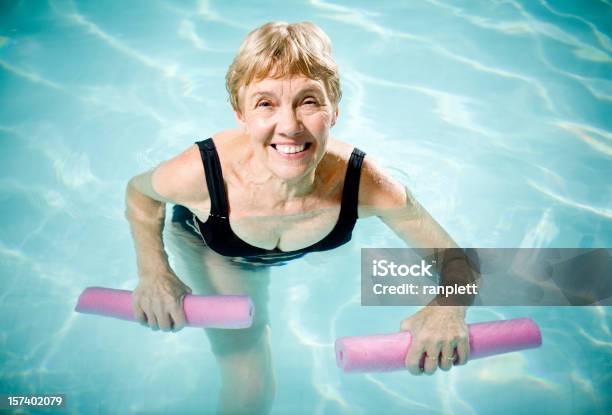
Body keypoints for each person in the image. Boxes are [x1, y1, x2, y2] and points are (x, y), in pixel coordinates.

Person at [125, 21, 478, 414]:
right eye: (265, 103)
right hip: (217, 247)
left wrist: (448, 308)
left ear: (335, 110)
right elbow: (140, 195)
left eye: (309, 101)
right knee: (249, 377)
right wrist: (154, 271)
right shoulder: (201, 176)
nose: (290, 126)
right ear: (240, 114)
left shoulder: (365, 184)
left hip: (303, 243)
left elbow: (457, 260)